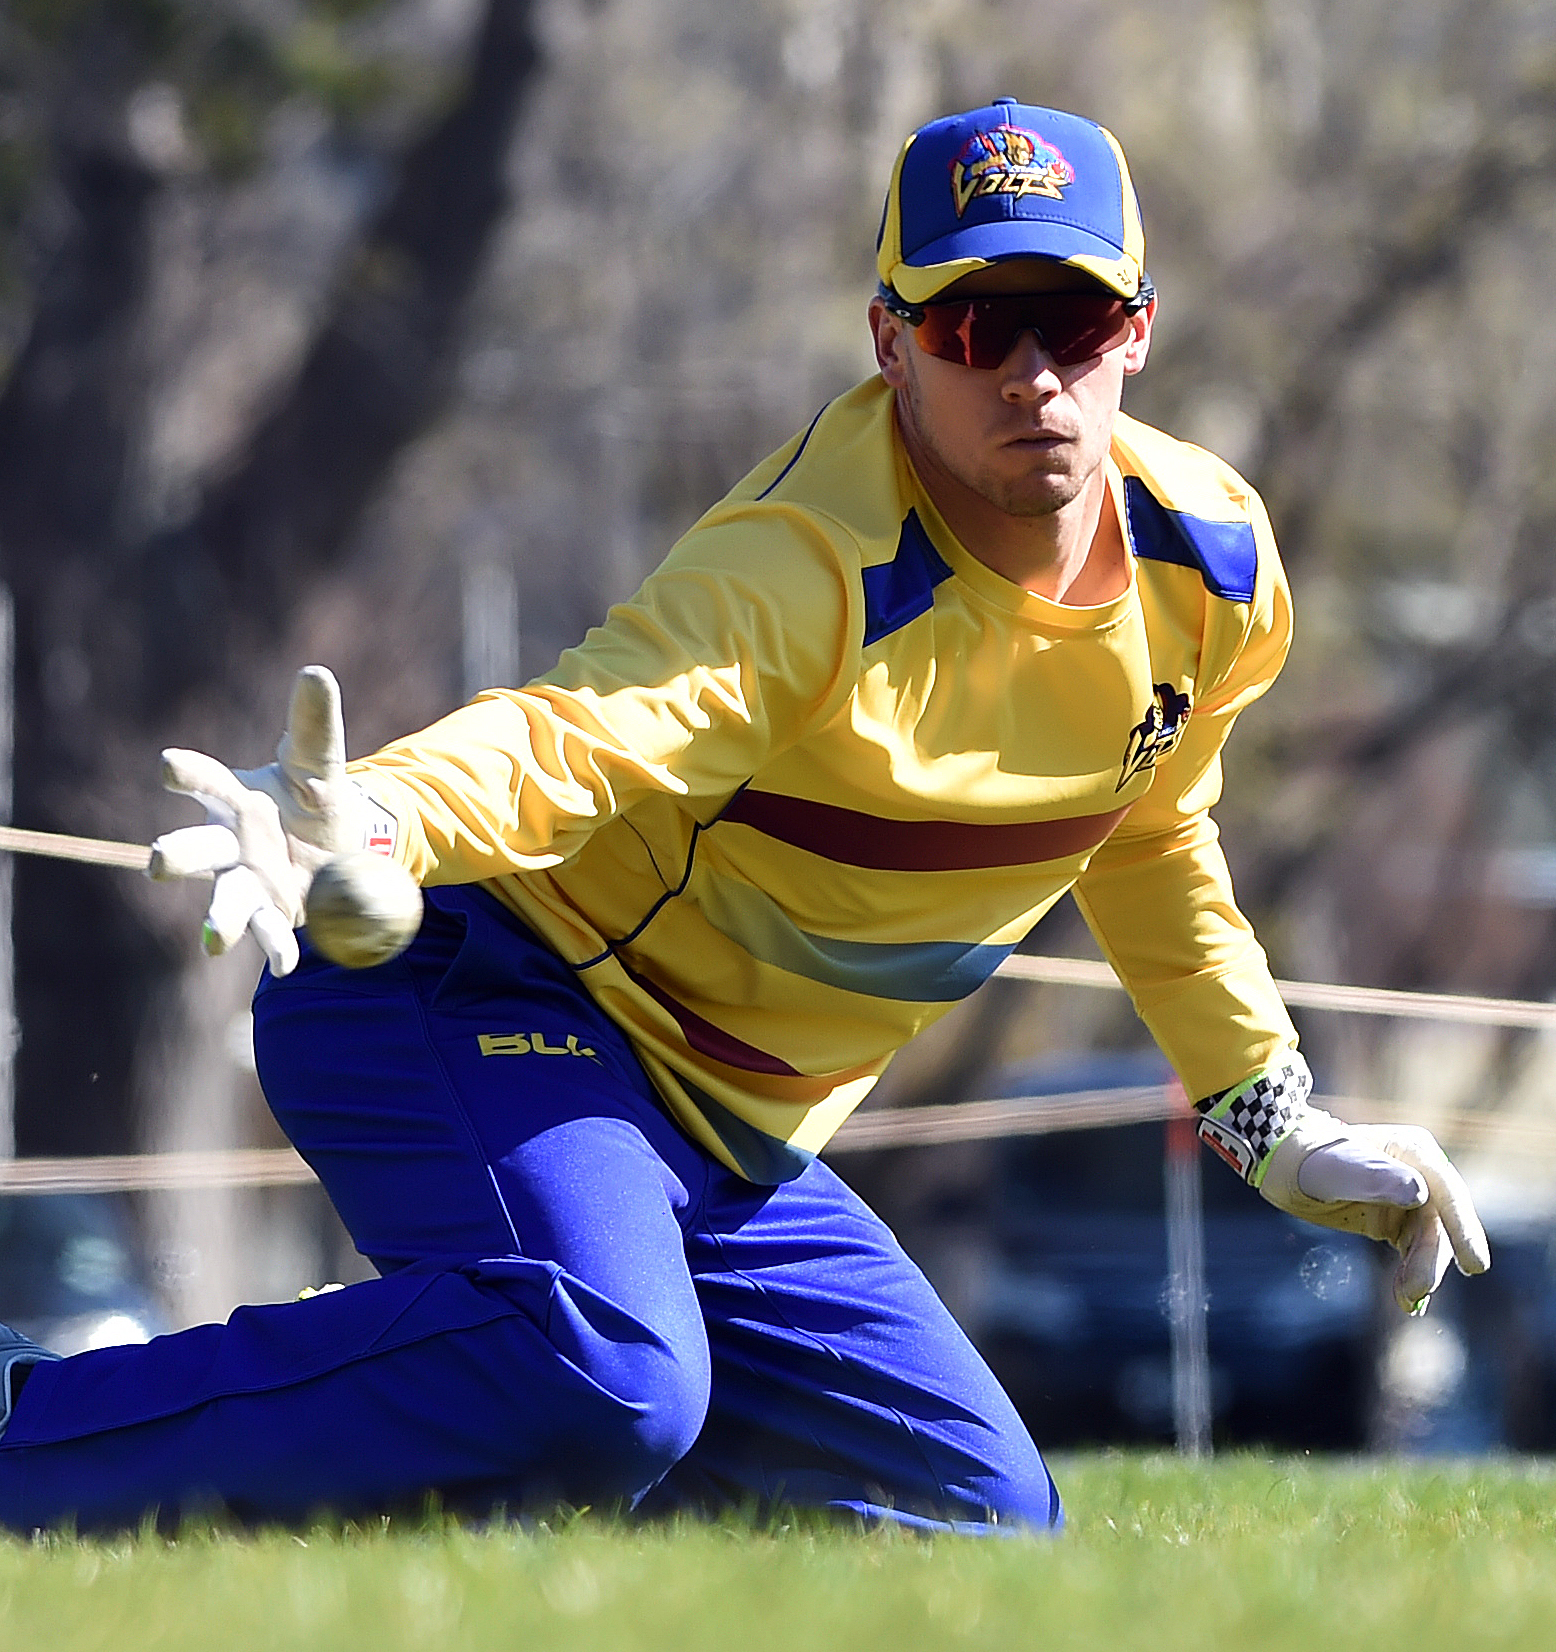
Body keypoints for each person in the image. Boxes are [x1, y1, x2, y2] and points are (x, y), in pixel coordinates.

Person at [0, 99, 1489, 1535]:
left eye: (1078, 324)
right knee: (613, 1375)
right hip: (476, 992)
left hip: (725, 1136)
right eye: (978, 327)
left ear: (1139, 336)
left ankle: (455, 1369)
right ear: (893, 344)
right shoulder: (811, 565)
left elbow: (1153, 832)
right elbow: (578, 736)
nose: (1035, 375)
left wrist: (1272, 1124)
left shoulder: (1214, 574)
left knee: (971, 1519)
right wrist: (369, 821)